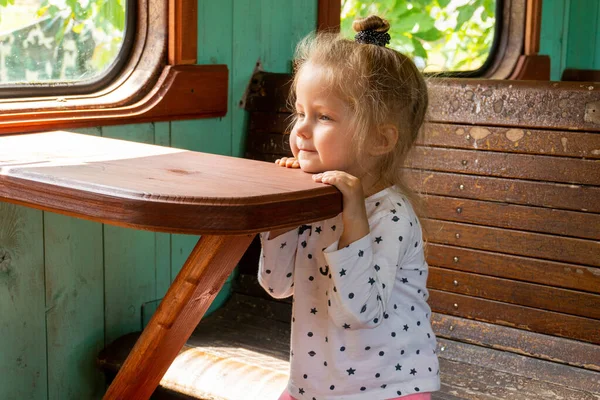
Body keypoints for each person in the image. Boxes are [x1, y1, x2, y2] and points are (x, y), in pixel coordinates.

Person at [258, 15, 440, 400]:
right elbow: (277, 285)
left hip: (387, 389)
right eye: (300, 113)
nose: (301, 130)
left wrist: (352, 217)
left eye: (323, 116)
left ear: (380, 139)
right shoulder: (315, 196)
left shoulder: (391, 214)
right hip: (315, 386)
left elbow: (361, 312)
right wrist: (282, 212)